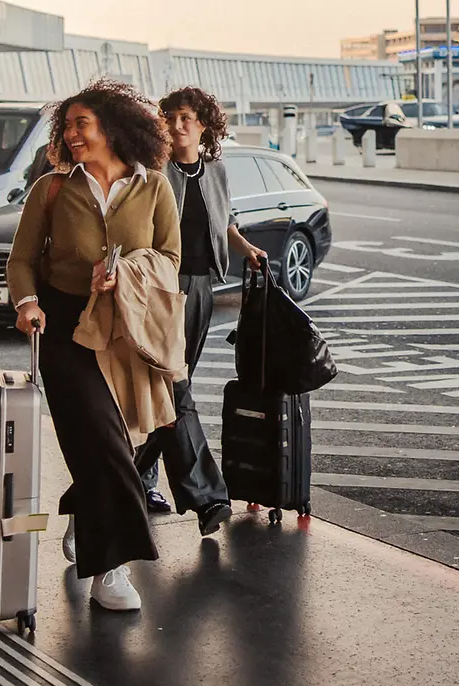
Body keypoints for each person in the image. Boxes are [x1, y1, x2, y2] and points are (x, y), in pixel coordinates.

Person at [5, 79, 180, 612]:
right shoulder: (52, 188)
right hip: (65, 332)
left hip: (128, 334)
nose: (71, 134)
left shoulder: (154, 187)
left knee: (125, 445)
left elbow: (170, 260)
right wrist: (26, 304)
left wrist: (125, 272)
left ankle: (86, 515)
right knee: (102, 443)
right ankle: (112, 568)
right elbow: (20, 260)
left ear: (113, 128)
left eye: (82, 123)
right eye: (68, 126)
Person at [135, 86, 267, 531]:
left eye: (185, 118)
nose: (176, 125)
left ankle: (134, 477)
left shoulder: (215, 171)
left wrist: (246, 248)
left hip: (199, 288)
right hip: (159, 290)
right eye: (169, 117)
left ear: (203, 125)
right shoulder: (154, 171)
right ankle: (206, 495)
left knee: (171, 386)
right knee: (175, 384)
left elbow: (224, 220)